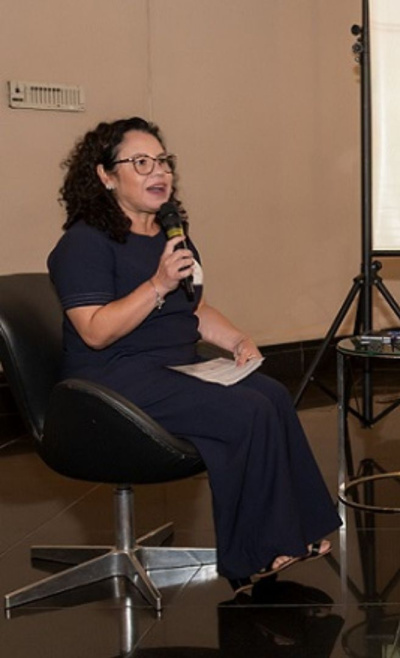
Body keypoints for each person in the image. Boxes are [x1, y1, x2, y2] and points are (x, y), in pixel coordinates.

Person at [47, 117, 342, 594]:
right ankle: (255, 553)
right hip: (110, 378)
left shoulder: (172, 235)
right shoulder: (83, 243)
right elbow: (95, 332)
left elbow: (194, 309)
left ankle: (297, 531)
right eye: (141, 163)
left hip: (174, 366)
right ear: (105, 175)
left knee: (271, 394)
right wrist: (157, 284)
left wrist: (237, 341)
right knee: (246, 411)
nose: (158, 172)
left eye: (163, 161)